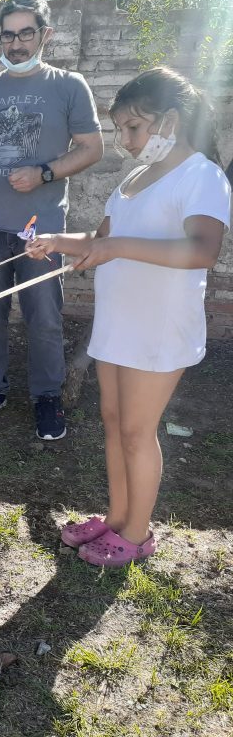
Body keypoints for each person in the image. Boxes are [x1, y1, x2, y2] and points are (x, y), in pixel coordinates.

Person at [26, 67, 231, 566]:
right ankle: (117, 518)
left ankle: (137, 535)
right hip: (118, 321)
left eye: (133, 127)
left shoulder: (202, 175)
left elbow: (202, 250)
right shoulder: (136, 179)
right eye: (121, 129)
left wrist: (115, 246)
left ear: (171, 121)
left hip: (160, 326)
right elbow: (100, 241)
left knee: (139, 431)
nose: (125, 140)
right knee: (113, 421)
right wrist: (56, 241)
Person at [0, 0, 104, 440]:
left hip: (43, 230)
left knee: (45, 317)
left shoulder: (68, 86)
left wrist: (45, 172)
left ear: (45, 35)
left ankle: (47, 397)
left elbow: (93, 148)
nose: (16, 44)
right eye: (8, 35)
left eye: (26, 33)